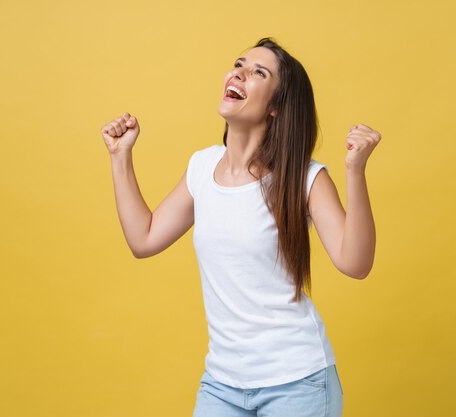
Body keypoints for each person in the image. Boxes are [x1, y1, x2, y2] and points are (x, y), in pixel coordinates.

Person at [100, 37, 380, 417]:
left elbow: (356, 262)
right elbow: (144, 238)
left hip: (297, 383)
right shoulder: (202, 167)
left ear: (277, 107)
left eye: (258, 72)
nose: (239, 73)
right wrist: (120, 157)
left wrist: (355, 171)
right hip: (222, 384)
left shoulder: (303, 177)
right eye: (239, 64)